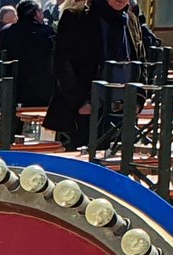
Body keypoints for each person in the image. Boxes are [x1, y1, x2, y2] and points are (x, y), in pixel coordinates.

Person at [45, 0, 159, 148]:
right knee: (83, 164)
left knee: (119, 165)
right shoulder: (76, 16)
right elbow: (62, 63)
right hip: (87, 112)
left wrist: (138, 99)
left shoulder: (131, 18)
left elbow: (141, 61)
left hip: (122, 111)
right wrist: (80, 102)